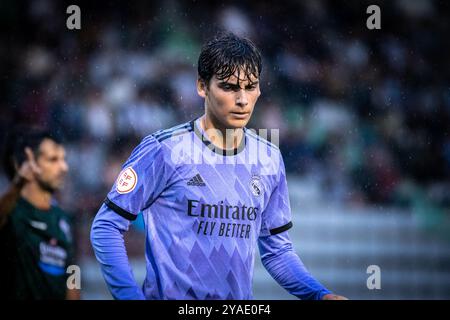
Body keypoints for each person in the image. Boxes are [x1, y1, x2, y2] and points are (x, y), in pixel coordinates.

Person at [91, 32, 347, 300]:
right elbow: (106, 225)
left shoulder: (269, 158)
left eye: (251, 87)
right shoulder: (163, 149)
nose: (242, 99)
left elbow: (277, 250)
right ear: (202, 86)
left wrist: (319, 295)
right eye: (229, 87)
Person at [0, 129, 79, 300]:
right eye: (53, 160)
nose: (64, 167)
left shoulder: (64, 219)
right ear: (25, 164)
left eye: (63, 159)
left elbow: (73, 274)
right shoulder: (12, 213)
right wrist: (18, 184)